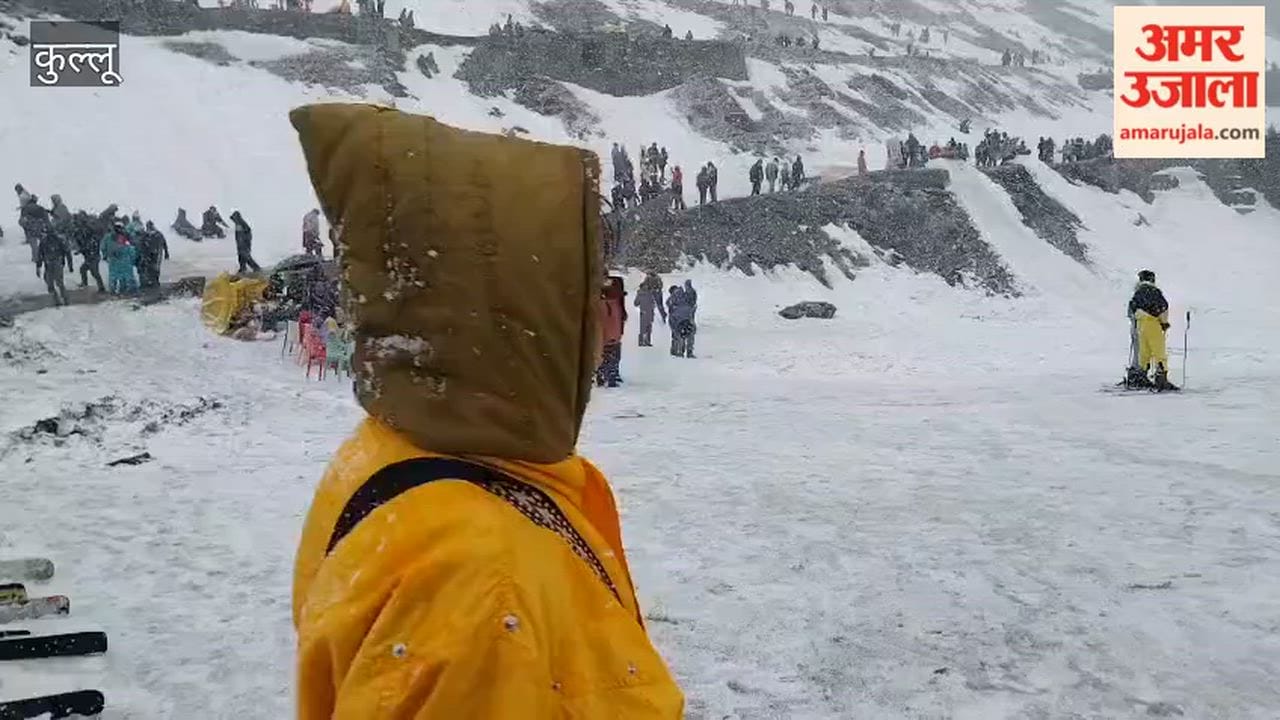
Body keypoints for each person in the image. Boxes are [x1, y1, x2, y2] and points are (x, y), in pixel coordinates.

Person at [286, 103, 683, 719]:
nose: (608, 323)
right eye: (593, 290)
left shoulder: (405, 445)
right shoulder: (485, 585)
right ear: (520, 312)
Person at [1127, 270, 1178, 390]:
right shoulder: (1154, 292)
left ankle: (1140, 376)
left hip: (1140, 324)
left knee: (1144, 351)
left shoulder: (1138, 292)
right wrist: (1164, 323)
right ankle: (1161, 378)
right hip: (1153, 323)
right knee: (1158, 350)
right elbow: (1163, 307)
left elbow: (1131, 308)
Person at [597, 277, 627, 387]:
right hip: (610, 335)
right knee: (612, 354)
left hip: (604, 335)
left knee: (605, 354)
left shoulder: (602, 302)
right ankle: (610, 376)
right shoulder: (614, 303)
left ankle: (603, 375)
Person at [35, 227, 75, 306]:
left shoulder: (48, 241)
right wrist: (70, 265)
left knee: (53, 283)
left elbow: (40, 255)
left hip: (53, 262)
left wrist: (38, 266)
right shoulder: (53, 241)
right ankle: (61, 299)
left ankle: (60, 299)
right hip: (54, 262)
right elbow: (67, 252)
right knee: (56, 282)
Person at [100, 220, 140, 294]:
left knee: (114, 276)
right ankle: (124, 290)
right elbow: (131, 248)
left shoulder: (109, 237)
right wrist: (133, 259)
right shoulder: (125, 237)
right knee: (125, 276)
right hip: (124, 259)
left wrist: (105, 255)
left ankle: (114, 290)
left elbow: (103, 247)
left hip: (114, 259)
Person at [70, 211, 106, 292]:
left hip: (93, 255)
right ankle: (85, 283)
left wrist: (82, 249)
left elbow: (90, 242)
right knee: (83, 269)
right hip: (89, 254)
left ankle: (101, 287)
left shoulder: (87, 229)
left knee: (94, 272)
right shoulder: (80, 231)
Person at [634, 271, 666, 347]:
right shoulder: (657, 280)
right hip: (650, 310)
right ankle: (646, 340)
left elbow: (636, 303)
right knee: (648, 325)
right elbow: (660, 287)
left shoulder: (642, 291)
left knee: (644, 326)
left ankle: (642, 341)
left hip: (644, 311)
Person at [137, 221, 170, 289]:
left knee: (153, 268)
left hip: (154, 253)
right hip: (153, 253)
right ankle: (153, 281)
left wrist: (166, 252)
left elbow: (164, 243)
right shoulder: (155, 234)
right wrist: (166, 252)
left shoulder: (153, 234)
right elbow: (141, 244)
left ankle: (154, 281)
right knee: (152, 268)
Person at [667, 283, 696, 358]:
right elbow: (693, 300)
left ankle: (678, 351)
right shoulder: (686, 295)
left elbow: (669, 305)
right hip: (688, 318)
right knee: (690, 335)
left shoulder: (672, 298)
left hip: (677, 319)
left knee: (678, 335)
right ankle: (689, 352)